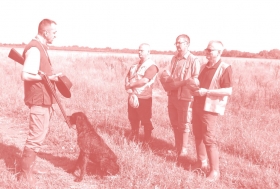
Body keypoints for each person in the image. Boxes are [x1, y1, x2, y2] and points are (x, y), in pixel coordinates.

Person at [18, 19, 62, 185]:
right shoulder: (35, 49)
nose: (55, 36)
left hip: (44, 100)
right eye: (54, 33)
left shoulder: (40, 47)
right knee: (35, 137)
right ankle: (24, 174)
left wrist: (49, 77)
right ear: (45, 32)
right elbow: (26, 75)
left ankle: (30, 167)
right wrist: (47, 78)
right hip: (38, 100)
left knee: (40, 134)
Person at [191, 40, 233, 182]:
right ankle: (201, 163)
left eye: (211, 50)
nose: (207, 52)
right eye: (207, 49)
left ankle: (215, 171)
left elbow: (228, 90)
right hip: (197, 105)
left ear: (219, 52)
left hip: (210, 108)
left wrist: (207, 92)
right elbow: (199, 85)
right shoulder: (203, 67)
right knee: (197, 135)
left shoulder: (225, 68)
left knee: (209, 139)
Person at [163, 34, 200, 158]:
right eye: (176, 43)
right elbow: (167, 73)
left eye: (180, 43)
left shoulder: (194, 60)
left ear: (187, 44)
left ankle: (184, 150)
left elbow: (195, 80)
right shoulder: (174, 59)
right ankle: (177, 147)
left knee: (184, 124)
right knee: (174, 123)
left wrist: (181, 84)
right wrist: (168, 81)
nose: (178, 45)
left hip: (185, 97)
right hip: (172, 96)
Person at [125, 43, 158, 143]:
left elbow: (144, 80)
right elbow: (127, 76)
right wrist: (128, 87)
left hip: (144, 98)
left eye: (142, 50)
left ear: (148, 52)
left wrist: (131, 85)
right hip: (133, 96)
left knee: (145, 120)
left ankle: (147, 140)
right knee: (133, 118)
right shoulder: (135, 65)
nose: (139, 52)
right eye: (139, 50)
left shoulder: (152, 66)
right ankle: (134, 136)